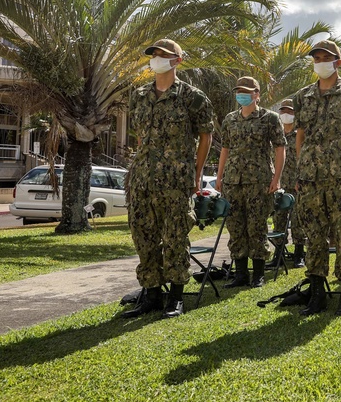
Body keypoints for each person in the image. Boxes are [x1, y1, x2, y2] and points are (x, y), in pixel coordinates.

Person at [122, 38, 214, 319]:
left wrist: (196, 173)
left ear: (178, 60)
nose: (157, 58)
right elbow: (141, 135)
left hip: (175, 181)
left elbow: (206, 135)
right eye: (154, 54)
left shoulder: (193, 97)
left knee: (175, 238)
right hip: (142, 181)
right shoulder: (138, 96)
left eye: (164, 54)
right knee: (143, 236)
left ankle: (176, 297)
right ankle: (150, 294)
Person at [293, 39, 341, 316]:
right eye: (316, 58)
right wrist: (301, 169)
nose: (320, 62)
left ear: (337, 61)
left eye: (325, 58)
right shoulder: (302, 97)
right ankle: (317, 296)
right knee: (314, 236)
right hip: (311, 178)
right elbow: (300, 134)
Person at [216, 76, 286, 288]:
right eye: (239, 91)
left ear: (257, 94)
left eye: (247, 91)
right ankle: (240, 274)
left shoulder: (270, 118)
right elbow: (225, 149)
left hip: (260, 180)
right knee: (235, 226)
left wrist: (277, 178)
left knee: (257, 226)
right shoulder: (230, 119)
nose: (242, 95)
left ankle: (258, 274)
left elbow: (280, 148)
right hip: (233, 181)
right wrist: (219, 177)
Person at [271, 98, 304, 268]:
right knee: (279, 219)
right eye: (283, 111)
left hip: (298, 184)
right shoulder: (276, 136)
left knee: (299, 220)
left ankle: (299, 253)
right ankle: (279, 253)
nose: (286, 114)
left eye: (290, 111)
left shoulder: (301, 134)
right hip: (280, 184)